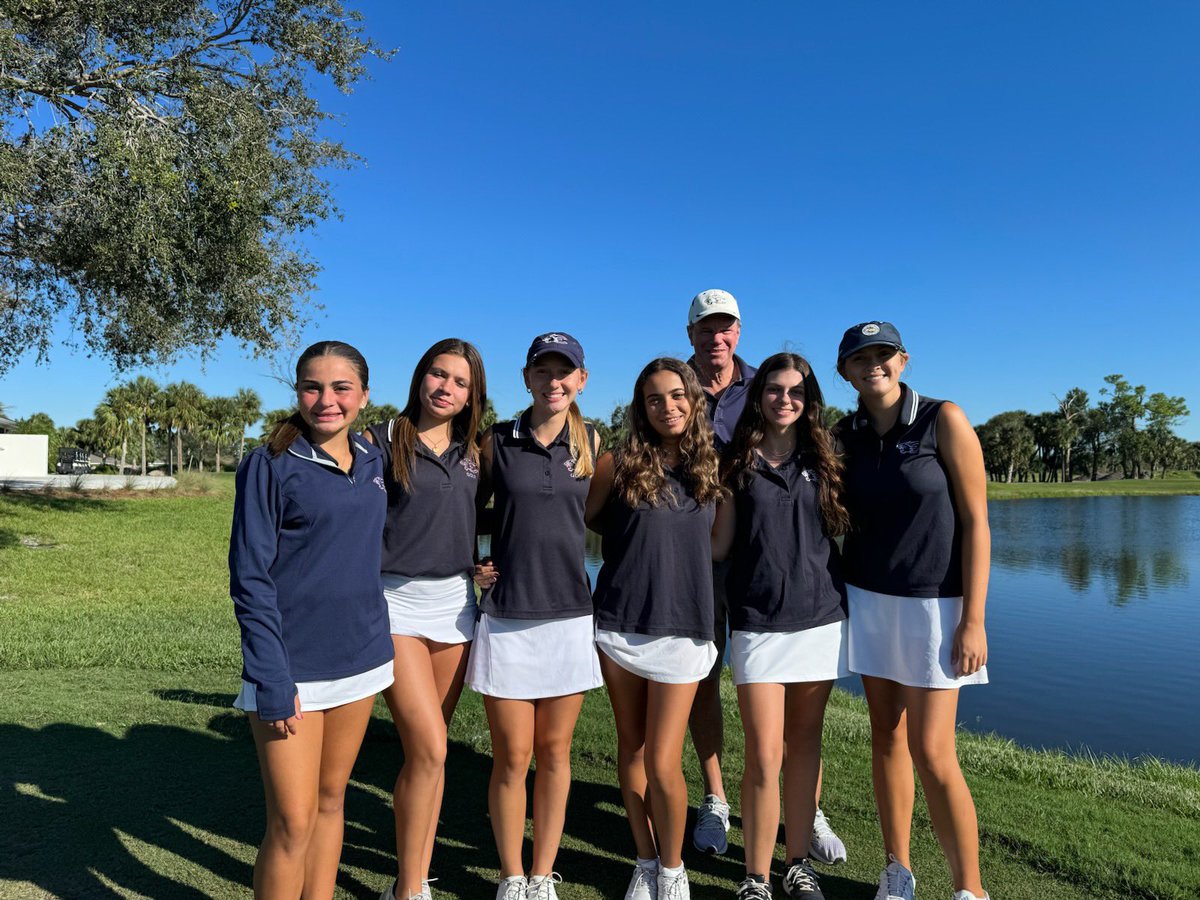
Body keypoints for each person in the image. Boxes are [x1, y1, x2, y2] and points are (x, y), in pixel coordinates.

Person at [685, 290, 847, 865]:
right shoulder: (673, 387)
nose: (716, 337)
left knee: (800, 722)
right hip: (708, 558)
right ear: (691, 334)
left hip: (783, 572)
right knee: (704, 676)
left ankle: (806, 808)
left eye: (725, 327)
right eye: (706, 328)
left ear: (738, 332)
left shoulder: (769, 384)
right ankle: (715, 798)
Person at [229, 340, 394, 899]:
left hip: (362, 658)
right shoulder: (269, 463)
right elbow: (250, 578)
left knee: (331, 802)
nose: (327, 399)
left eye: (341, 387)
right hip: (290, 669)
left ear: (364, 396)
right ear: (297, 392)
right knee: (292, 823)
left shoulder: (374, 459)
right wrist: (270, 678)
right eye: (312, 387)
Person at [834, 322, 991, 900]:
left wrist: (973, 618)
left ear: (902, 360)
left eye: (883, 354)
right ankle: (897, 869)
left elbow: (976, 522)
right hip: (870, 599)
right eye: (860, 357)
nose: (872, 364)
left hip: (937, 605)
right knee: (886, 738)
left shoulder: (941, 418)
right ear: (844, 371)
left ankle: (969, 889)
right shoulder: (843, 434)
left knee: (933, 750)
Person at [468, 332, 605, 900]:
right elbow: (463, 511)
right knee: (512, 756)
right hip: (506, 616)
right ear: (526, 379)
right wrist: (471, 563)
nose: (554, 382)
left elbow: (602, 516)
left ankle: (543, 873)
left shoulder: (594, 443)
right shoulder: (497, 442)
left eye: (564, 372)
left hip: (569, 616)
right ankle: (511, 874)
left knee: (554, 754)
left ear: (581, 379)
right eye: (542, 372)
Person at [585, 358, 726, 900]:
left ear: (693, 401)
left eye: (676, 396)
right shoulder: (616, 464)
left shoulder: (713, 469)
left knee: (665, 759)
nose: (667, 407)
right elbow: (590, 520)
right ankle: (644, 861)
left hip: (685, 627)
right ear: (640, 409)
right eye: (653, 399)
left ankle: (673, 868)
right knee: (633, 749)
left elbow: (719, 543)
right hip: (621, 624)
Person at [365, 339, 488, 900]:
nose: (446, 388)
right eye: (438, 375)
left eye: (460, 382)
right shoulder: (381, 440)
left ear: (471, 396)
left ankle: (411, 879)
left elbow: (498, 517)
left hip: (457, 607)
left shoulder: (476, 451)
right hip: (394, 605)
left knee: (428, 754)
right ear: (420, 378)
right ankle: (410, 889)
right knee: (433, 747)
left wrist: (489, 564)